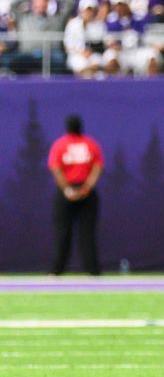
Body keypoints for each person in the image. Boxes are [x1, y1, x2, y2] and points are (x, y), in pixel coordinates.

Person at [47, 115, 104, 276]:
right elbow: (97, 168)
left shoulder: (60, 145)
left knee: (67, 233)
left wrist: (68, 190)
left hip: (70, 191)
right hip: (83, 191)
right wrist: (86, 188)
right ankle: (91, 271)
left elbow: (56, 169)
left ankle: (60, 271)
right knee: (82, 233)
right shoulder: (90, 144)